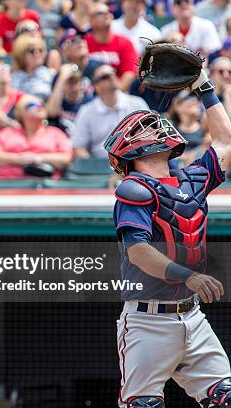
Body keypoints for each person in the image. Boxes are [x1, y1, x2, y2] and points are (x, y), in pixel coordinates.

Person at [104, 61, 231, 408]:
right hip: (148, 321)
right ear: (130, 147)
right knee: (143, 404)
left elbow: (225, 141)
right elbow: (138, 251)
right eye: (145, 128)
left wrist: (204, 87)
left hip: (191, 315)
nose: (155, 128)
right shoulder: (134, 187)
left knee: (225, 397)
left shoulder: (188, 181)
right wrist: (187, 277)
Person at [72, 64, 149, 158]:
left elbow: (149, 135)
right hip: (100, 166)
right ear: (96, 86)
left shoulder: (137, 104)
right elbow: (78, 147)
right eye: (105, 77)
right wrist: (92, 165)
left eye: (113, 73)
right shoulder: (86, 111)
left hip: (134, 162)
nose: (111, 77)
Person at [0, 94, 72, 178]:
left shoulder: (56, 133)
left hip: (44, 184)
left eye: (41, 105)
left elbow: (66, 159)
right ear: (21, 112)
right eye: (32, 105)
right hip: (6, 183)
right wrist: (17, 159)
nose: (39, 107)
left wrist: (38, 158)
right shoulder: (6, 133)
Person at [84, 2, 138, 91]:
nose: (106, 15)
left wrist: (116, 92)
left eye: (108, 12)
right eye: (100, 13)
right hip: (90, 93)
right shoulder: (84, 44)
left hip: (117, 92)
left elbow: (129, 73)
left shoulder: (125, 43)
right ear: (91, 21)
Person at [46, 63, 91, 132]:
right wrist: (62, 77)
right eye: (70, 83)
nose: (75, 87)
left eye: (77, 82)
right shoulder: (58, 100)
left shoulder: (88, 102)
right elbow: (51, 112)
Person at [10, 35, 54, 101]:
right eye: (32, 51)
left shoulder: (50, 74)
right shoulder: (13, 78)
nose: (37, 53)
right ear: (21, 54)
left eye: (40, 50)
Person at [167, 91, 207, 163]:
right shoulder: (170, 130)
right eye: (188, 98)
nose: (194, 100)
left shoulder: (206, 127)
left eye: (196, 98)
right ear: (177, 106)